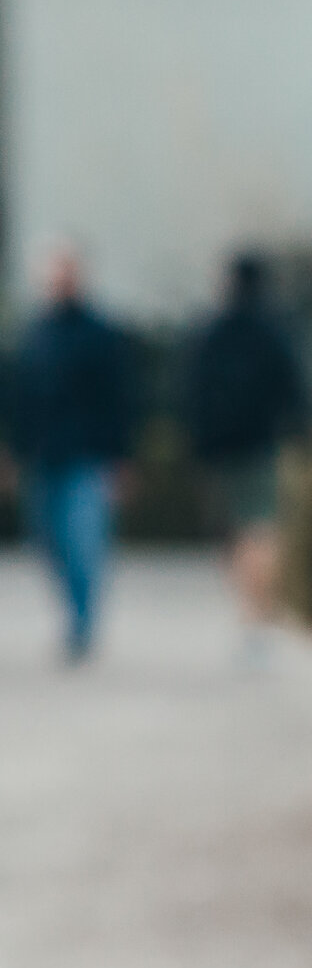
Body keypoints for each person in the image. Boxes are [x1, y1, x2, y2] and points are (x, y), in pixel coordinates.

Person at [6, 246, 137, 663]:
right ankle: (72, 612)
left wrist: (120, 458)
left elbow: (119, 399)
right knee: (47, 541)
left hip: (86, 455)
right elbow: (18, 399)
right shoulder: (34, 332)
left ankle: (82, 623)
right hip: (42, 454)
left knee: (84, 542)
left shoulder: (100, 334)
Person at [183, 251, 312, 661]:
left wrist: (197, 443)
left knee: (234, 532)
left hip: (220, 449)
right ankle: (257, 614)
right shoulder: (274, 329)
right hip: (259, 444)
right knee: (260, 527)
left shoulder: (211, 331)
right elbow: (295, 388)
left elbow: (192, 391)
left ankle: (250, 610)